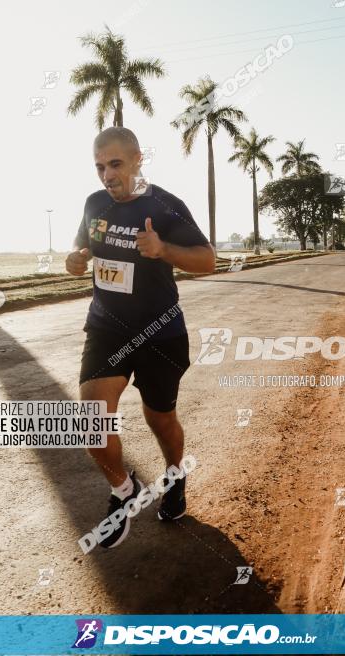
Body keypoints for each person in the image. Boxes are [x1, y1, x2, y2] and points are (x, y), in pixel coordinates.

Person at [66, 127, 215, 548]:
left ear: (137, 160)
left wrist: (164, 250)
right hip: (106, 328)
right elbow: (83, 249)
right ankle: (123, 490)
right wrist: (75, 260)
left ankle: (175, 477)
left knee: (160, 419)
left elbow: (207, 261)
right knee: (92, 419)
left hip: (160, 332)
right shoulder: (94, 204)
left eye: (115, 164)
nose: (107, 175)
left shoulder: (165, 205)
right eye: (99, 166)